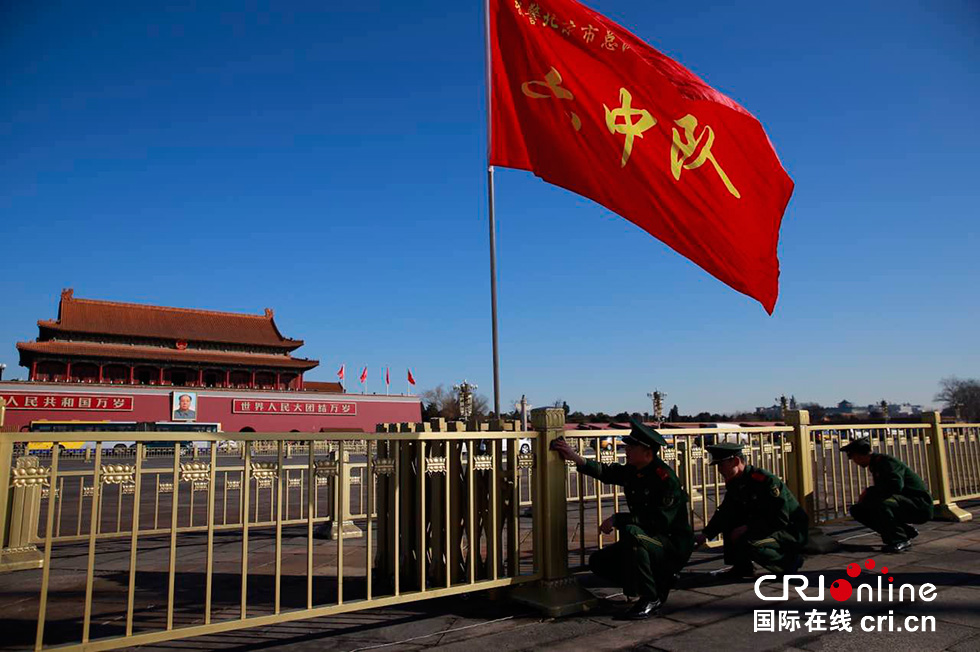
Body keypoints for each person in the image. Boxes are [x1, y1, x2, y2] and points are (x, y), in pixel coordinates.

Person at [551, 416, 693, 619]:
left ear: (647, 452)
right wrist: (574, 457)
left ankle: (651, 597)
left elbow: (658, 522)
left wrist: (618, 519)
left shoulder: (665, 479)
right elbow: (607, 472)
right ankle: (655, 579)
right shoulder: (635, 471)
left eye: (631, 447)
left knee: (632, 534)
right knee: (599, 561)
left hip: (670, 544)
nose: (626, 450)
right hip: (650, 539)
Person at [693, 442, 808, 578]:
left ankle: (787, 563)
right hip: (767, 525)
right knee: (730, 524)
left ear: (735, 461)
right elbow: (725, 511)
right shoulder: (736, 482)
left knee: (748, 542)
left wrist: (747, 528)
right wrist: (705, 534)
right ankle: (742, 568)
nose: (719, 470)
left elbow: (779, 518)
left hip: (789, 530)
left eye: (721, 465)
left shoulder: (765, 481)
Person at [841, 437, 932, 553]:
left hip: (919, 505)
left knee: (882, 504)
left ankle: (899, 540)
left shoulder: (887, 462)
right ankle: (905, 531)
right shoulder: (876, 464)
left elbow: (895, 486)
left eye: (852, 457)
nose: (854, 461)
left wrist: (870, 492)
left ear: (859, 455)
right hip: (903, 502)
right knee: (858, 510)